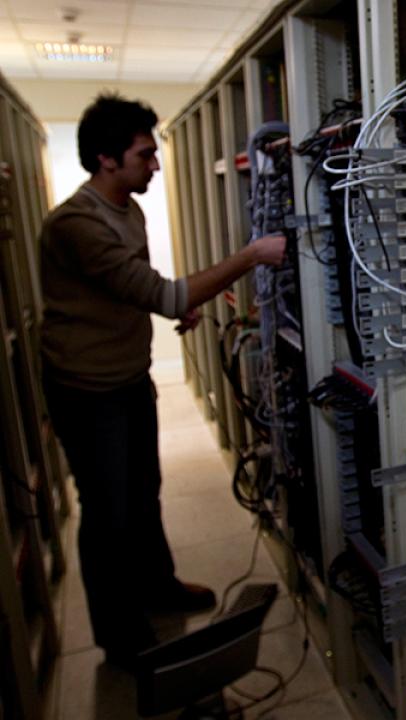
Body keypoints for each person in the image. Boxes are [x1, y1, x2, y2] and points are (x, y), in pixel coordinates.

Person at [39, 93, 286, 669]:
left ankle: (158, 586)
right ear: (106, 158)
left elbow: (138, 288)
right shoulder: (75, 225)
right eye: (145, 154)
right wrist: (249, 256)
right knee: (107, 514)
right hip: (86, 389)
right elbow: (162, 291)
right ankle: (119, 637)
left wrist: (172, 306)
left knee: (143, 494)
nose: (155, 166)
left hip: (126, 377)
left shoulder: (127, 208)